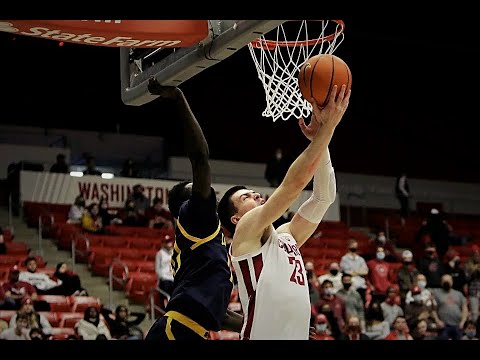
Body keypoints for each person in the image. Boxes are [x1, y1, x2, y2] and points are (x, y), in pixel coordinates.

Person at [218, 84, 351, 339]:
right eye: (245, 197)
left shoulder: (286, 235)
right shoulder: (244, 234)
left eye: (253, 192)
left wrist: (321, 144)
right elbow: (293, 187)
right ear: (235, 218)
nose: (255, 195)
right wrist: (327, 129)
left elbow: (324, 198)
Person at [145, 79, 242, 341]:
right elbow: (200, 158)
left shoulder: (201, 246)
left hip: (187, 330)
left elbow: (218, 315)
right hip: (177, 330)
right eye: (197, 186)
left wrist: (268, 326)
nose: (207, 189)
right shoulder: (195, 218)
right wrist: (179, 100)